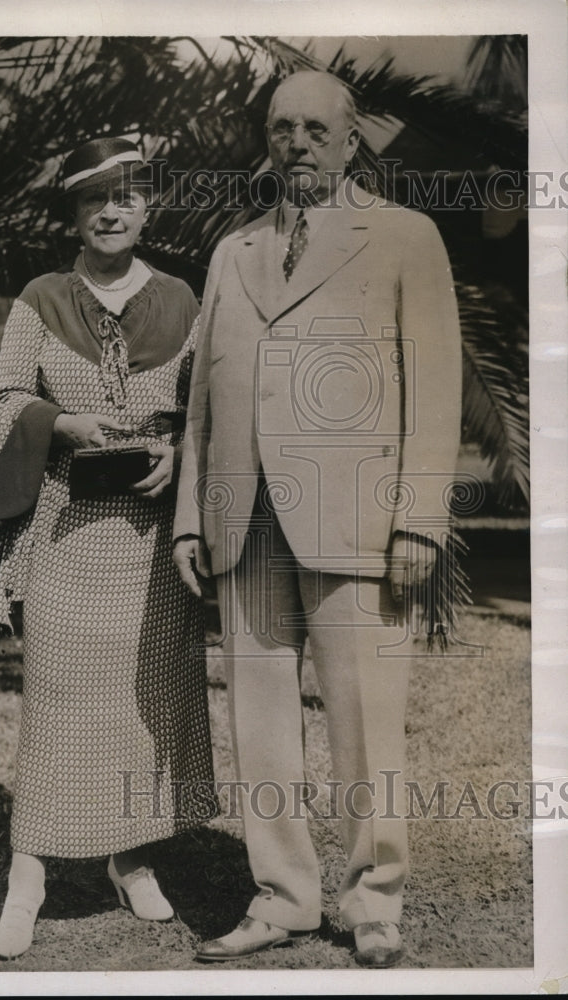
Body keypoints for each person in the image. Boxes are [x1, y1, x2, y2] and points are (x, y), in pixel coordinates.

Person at [173, 70, 462, 967]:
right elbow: (202, 407)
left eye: (313, 129)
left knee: (365, 721)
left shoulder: (406, 238)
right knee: (259, 725)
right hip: (243, 522)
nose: (295, 142)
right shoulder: (232, 252)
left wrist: (418, 520)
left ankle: (374, 902)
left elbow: (438, 387)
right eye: (279, 127)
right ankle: (283, 896)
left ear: (349, 144)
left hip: (360, 523)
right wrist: (192, 515)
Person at [0, 137, 214, 959]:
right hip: (62, 529)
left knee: (147, 708)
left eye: (128, 196)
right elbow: (2, 403)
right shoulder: (40, 298)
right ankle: (29, 873)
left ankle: (132, 858)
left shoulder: (186, 298)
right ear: (73, 213)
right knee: (57, 705)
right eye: (94, 199)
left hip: (154, 542)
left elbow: (209, 411)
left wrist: (183, 456)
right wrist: (61, 424)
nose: (112, 211)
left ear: (150, 209)